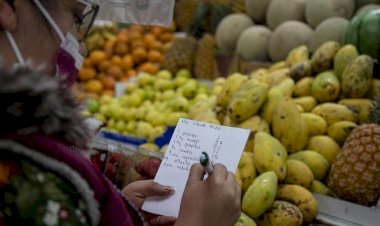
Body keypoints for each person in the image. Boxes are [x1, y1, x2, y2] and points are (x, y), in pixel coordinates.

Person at [0, 0, 241, 226]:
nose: (82, 47)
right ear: (7, 9)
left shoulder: (25, 139)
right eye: (75, 16)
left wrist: (117, 210)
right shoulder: (25, 174)